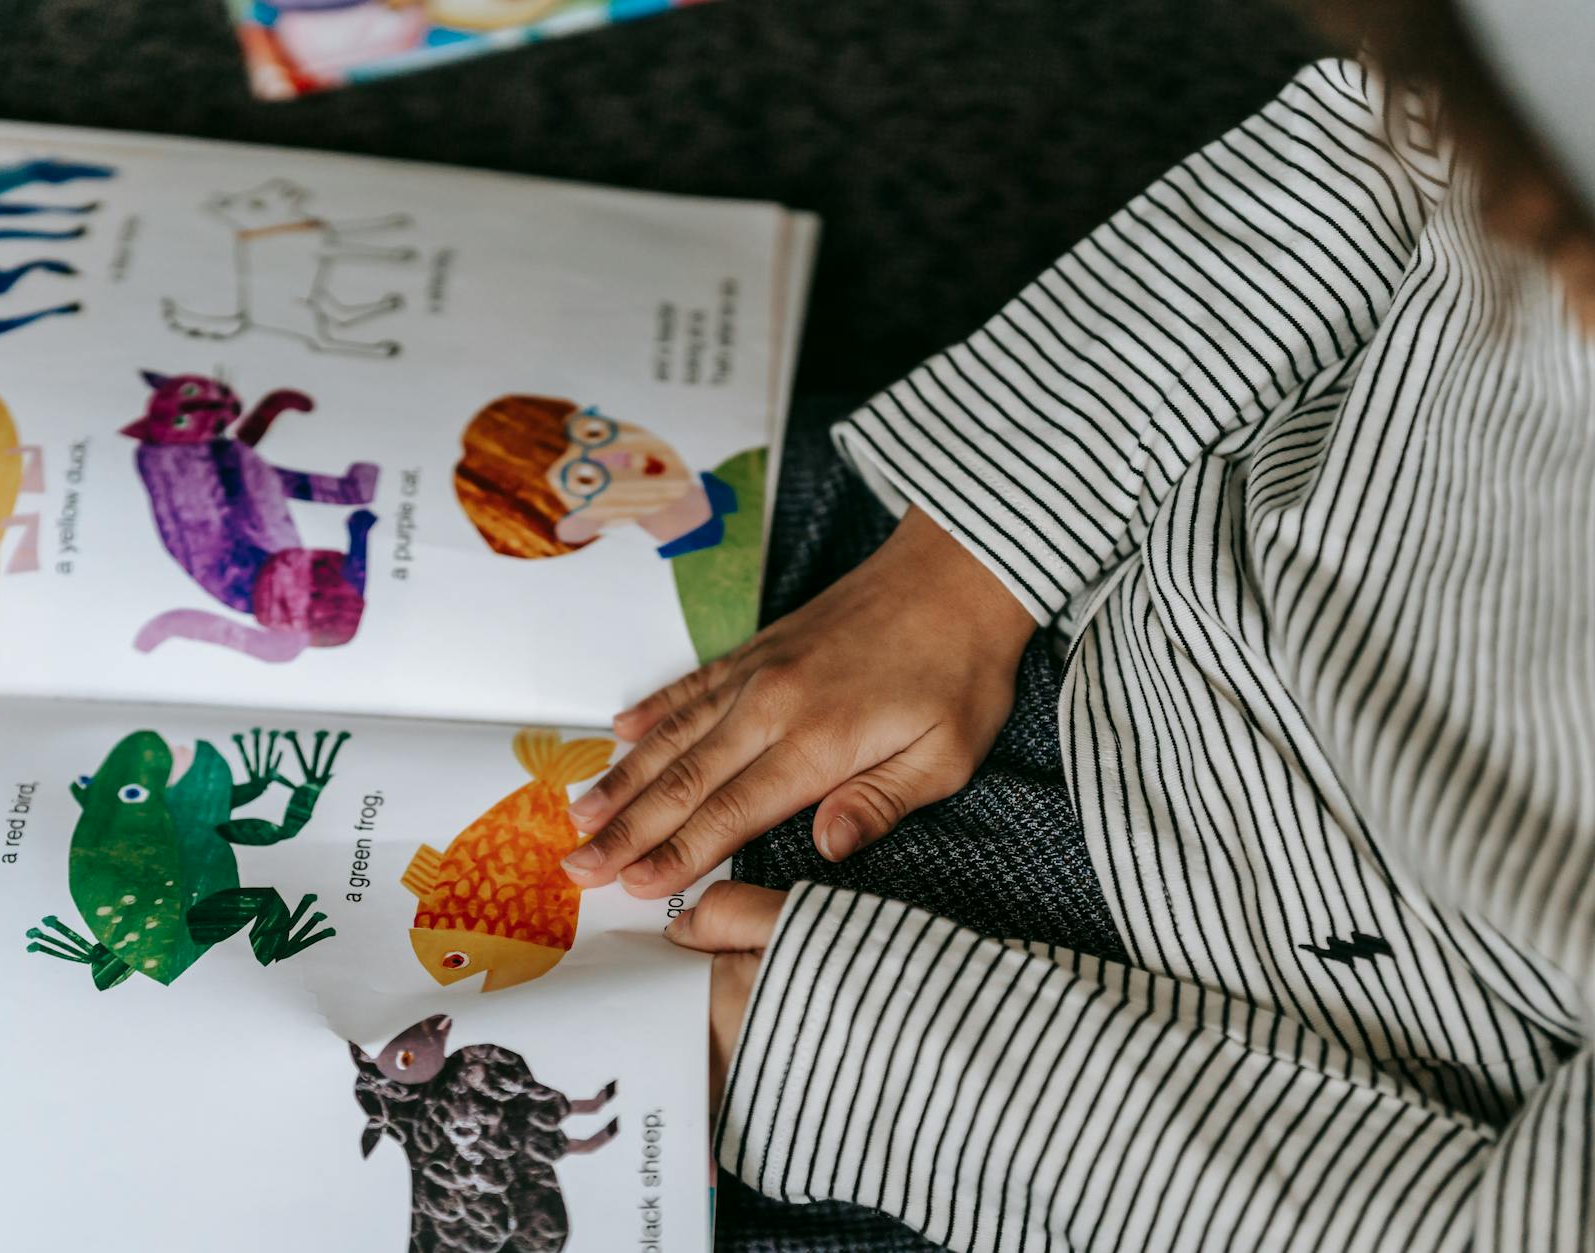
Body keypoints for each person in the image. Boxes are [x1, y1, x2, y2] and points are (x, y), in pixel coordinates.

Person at [562, 0, 1595, 1246]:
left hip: (1183, 1093)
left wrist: (874, 1059)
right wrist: (966, 560)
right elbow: (1396, 129)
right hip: (1100, 533)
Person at [453, 393, 768, 660]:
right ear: (577, 526)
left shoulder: (755, 463)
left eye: (594, 433)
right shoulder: (700, 602)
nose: (619, 458)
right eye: (585, 477)